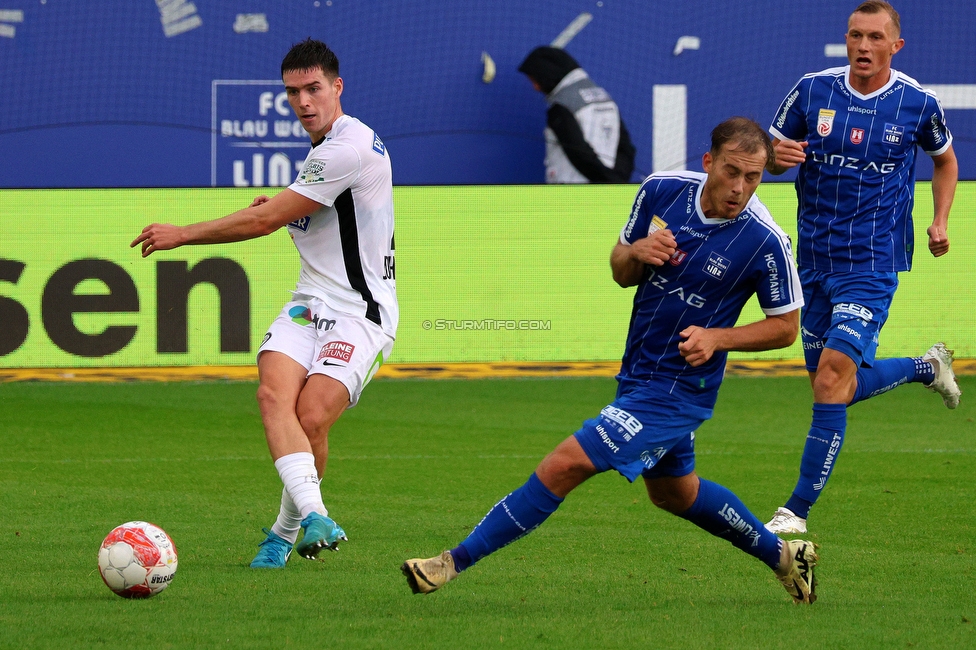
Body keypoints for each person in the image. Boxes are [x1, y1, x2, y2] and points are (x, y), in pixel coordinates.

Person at [403, 117, 821, 604]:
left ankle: (451, 562)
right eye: (732, 172)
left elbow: (786, 327)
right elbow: (622, 270)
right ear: (709, 162)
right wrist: (638, 251)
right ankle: (787, 558)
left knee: (565, 464)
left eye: (754, 177)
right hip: (638, 373)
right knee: (674, 494)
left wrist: (717, 337)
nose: (741, 187)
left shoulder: (766, 241)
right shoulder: (661, 191)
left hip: (680, 391)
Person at [131, 38, 397, 567]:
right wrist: (286, 211)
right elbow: (310, 214)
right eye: (293, 92)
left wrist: (182, 234)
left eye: (313, 88)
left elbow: (262, 221)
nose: (303, 101)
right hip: (308, 303)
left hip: (361, 313)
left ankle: (283, 531)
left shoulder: (349, 146)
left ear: (337, 87)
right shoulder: (325, 148)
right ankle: (316, 518)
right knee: (273, 398)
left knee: (312, 415)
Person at [764, 0, 961, 535]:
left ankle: (794, 512)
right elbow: (769, 152)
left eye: (876, 37)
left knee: (831, 379)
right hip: (814, 261)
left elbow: (945, 161)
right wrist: (776, 157)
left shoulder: (918, 103)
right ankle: (927, 368)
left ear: (895, 46)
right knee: (838, 387)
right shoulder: (812, 90)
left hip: (872, 264)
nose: (863, 47)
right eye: (856, 36)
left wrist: (940, 220)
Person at [518, 46, 636, 184]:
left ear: (547, 73)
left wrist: (607, 182)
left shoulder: (561, 105)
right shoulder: (606, 99)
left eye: (535, 80)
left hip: (571, 196)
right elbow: (626, 149)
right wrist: (616, 183)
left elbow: (578, 153)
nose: (536, 87)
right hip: (606, 195)